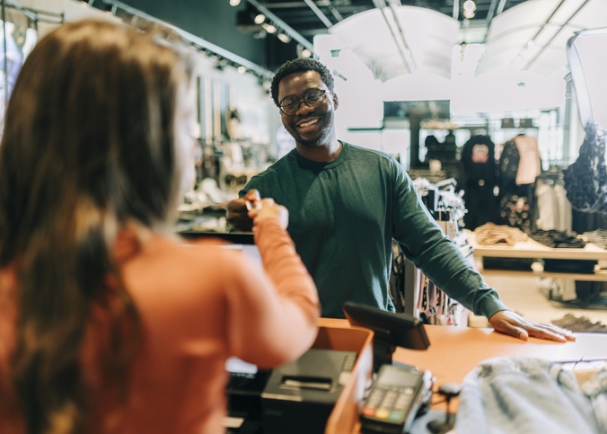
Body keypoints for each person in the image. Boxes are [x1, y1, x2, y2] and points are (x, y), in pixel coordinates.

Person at [0, 20, 320, 434]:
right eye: (185, 123)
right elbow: (298, 323)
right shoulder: (209, 278)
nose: (195, 145)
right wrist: (272, 228)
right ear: (146, 143)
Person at [227, 58, 574, 343]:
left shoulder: (380, 170)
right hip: (296, 338)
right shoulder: (266, 187)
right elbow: (244, 274)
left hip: (373, 334)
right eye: (289, 103)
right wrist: (236, 228)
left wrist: (491, 305)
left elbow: (429, 245)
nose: (302, 108)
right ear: (281, 112)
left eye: (313, 96)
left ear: (333, 99)